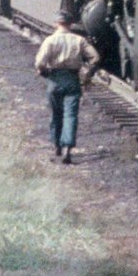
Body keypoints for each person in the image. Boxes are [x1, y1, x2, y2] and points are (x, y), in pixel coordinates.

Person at [34, 10, 100, 164]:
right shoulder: (79, 40)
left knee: (56, 114)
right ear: (71, 24)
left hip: (54, 81)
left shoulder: (50, 41)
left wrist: (43, 72)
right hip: (72, 80)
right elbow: (95, 58)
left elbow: (39, 63)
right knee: (70, 115)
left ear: (56, 23)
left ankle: (56, 147)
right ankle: (68, 151)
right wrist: (88, 72)